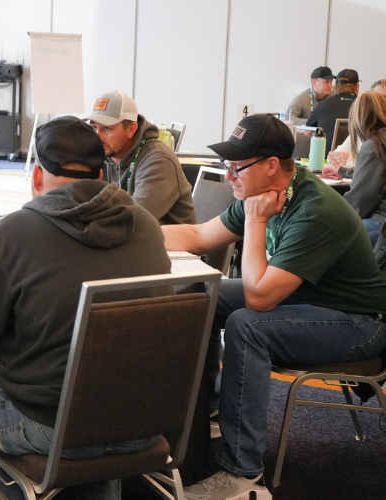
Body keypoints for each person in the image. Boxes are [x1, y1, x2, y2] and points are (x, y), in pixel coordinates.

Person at [0, 116, 172, 499]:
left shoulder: (17, 231)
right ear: (101, 172)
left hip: (53, 424)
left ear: (37, 177)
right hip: (143, 418)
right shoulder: (144, 225)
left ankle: (6, 492)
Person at [162, 114, 386, 500]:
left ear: (270, 166)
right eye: (227, 165)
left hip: (360, 324)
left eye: (237, 166)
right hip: (310, 302)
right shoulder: (259, 194)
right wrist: (131, 233)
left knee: (247, 325)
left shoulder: (314, 210)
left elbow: (259, 298)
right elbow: (199, 236)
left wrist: (255, 223)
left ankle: (243, 475)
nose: (229, 175)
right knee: (203, 291)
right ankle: (214, 414)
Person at [85, 91, 196, 225]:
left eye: (107, 128)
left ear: (131, 129)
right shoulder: (100, 154)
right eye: (94, 127)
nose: (98, 136)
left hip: (169, 244)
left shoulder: (159, 160)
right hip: (126, 239)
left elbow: (134, 219)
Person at [339, 91, 386, 246]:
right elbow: (378, 176)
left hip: (380, 223)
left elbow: (358, 203)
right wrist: (342, 170)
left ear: (358, 119)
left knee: (325, 233)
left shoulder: (374, 146)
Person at [325, 78, 386, 176]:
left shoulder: (381, 136)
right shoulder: (363, 129)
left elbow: (376, 170)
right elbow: (337, 153)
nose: (379, 103)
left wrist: (350, 159)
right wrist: (337, 159)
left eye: (383, 98)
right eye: (375, 99)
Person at [307, 68, 360, 156]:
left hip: (325, 161)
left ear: (335, 85)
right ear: (357, 86)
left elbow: (308, 132)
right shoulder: (365, 106)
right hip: (356, 161)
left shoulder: (322, 105)